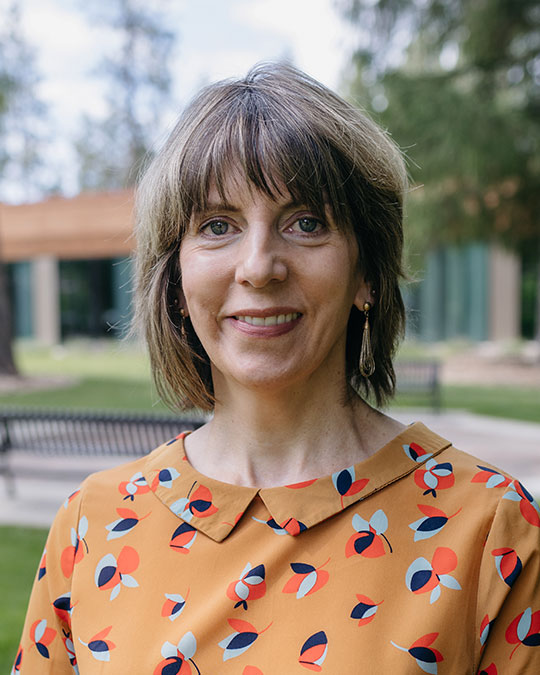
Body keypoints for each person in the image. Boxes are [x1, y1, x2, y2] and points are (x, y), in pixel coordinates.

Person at [14, 63, 540, 674]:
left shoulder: (489, 528)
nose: (259, 266)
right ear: (177, 282)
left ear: (367, 272)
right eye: (217, 226)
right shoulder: (90, 527)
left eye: (306, 223)